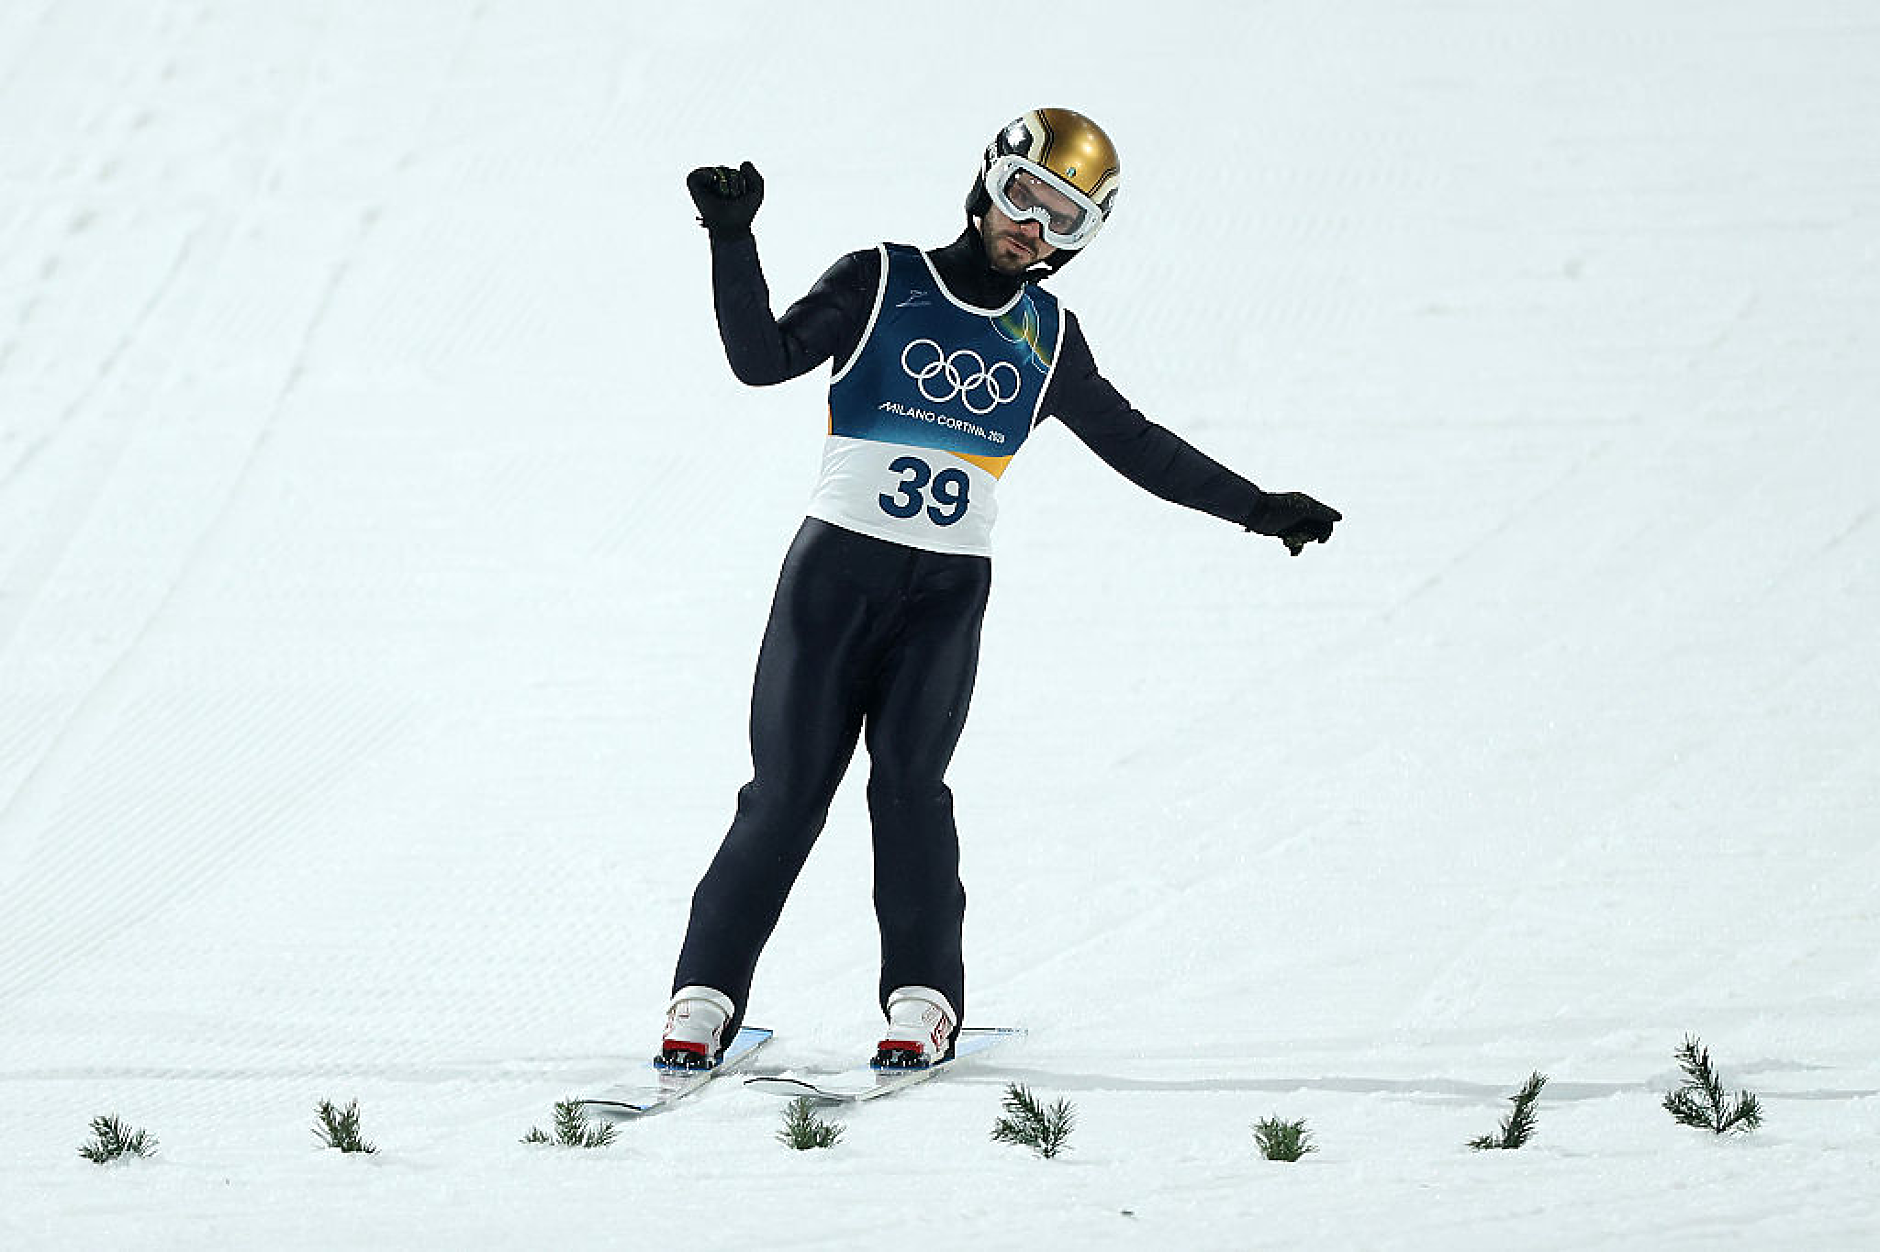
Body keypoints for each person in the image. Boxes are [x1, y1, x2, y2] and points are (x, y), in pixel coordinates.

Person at [658, 108, 1340, 1071]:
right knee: (786, 793)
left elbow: (1136, 445)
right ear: (989, 182)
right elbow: (759, 362)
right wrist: (734, 240)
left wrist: (1257, 507)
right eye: (1025, 198)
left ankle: (923, 999)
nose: (1034, 229)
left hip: (943, 600)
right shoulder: (881, 277)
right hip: (831, 581)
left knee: (910, 792)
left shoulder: (1048, 335)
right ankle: (703, 997)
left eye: (1064, 220)